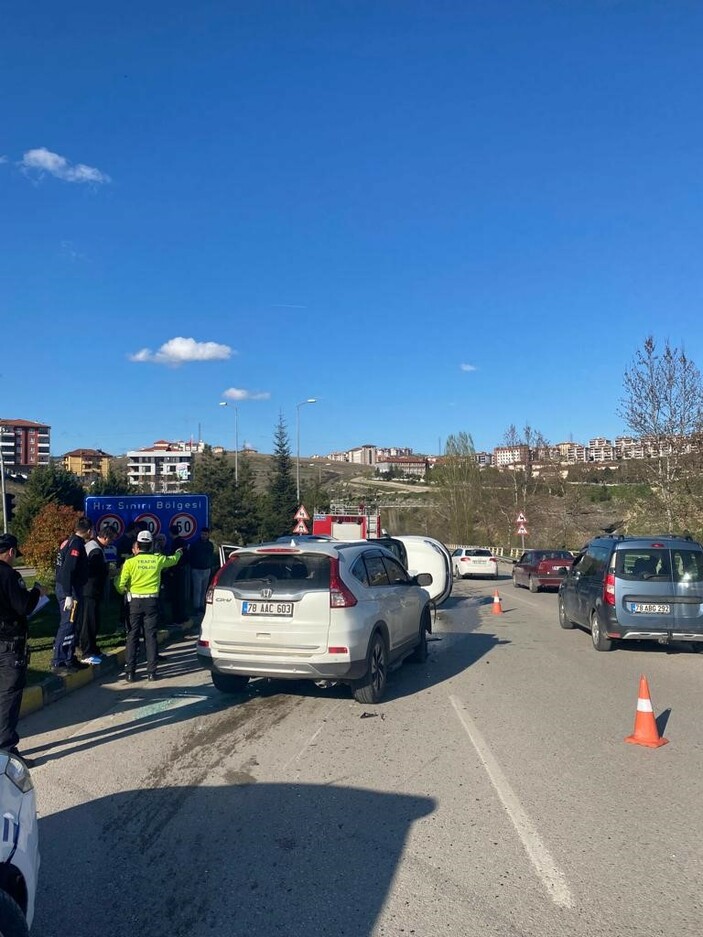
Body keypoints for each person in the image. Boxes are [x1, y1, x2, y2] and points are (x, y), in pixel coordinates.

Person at [0, 534, 47, 756]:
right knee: (9, 696)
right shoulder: (9, 575)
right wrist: (37, 591)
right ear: (10, 552)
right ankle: (6, 750)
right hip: (9, 644)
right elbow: (24, 607)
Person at [114, 530, 182, 681]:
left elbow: (120, 585)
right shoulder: (157, 559)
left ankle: (130, 672)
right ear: (151, 545)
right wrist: (179, 553)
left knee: (132, 636)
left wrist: (119, 587)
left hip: (135, 603)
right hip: (151, 602)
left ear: (137, 545)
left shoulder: (130, 562)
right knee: (150, 636)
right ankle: (152, 672)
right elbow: (173, 560)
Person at [51, 516, 93, 675]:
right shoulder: (76, 545)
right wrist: (68, 594)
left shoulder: (69, 541)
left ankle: (69, 657)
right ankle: (59, 661)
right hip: (70, 589)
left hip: (68, 588)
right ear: (89, 530)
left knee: (71, 625)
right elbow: (68, 569)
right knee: (67, 624)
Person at [77, 525, 116, 665]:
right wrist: (111, 572)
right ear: (106, 537)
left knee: (93, 621)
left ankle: (93, 648)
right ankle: (87, 651)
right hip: (89, 591)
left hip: (90, 591)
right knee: (89, 622)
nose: (111, 543)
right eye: (110, 540)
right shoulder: (95, 550)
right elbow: (94, 571)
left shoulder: (93, 546)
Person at [165, 522, 190, 628]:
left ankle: (177, 619)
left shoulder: (175, 543)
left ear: (171, 533)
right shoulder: (184, 542)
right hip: (182, 570)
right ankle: (183, 616)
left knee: (175, 596)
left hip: (175, 572)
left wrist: (169, 570)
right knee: (181, 595)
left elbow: (173, 559)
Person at [189, 527, 215, 614]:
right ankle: (196, 607)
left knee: (204, 590)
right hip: (197, 570)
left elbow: (211, 556)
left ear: (208, 535)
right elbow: (191, 555)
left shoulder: (210, 545)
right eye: (202, 534)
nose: (203, 536)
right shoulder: (195, 544)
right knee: (197, 590)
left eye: (205, 534)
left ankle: (201, 606)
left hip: (206, 569)